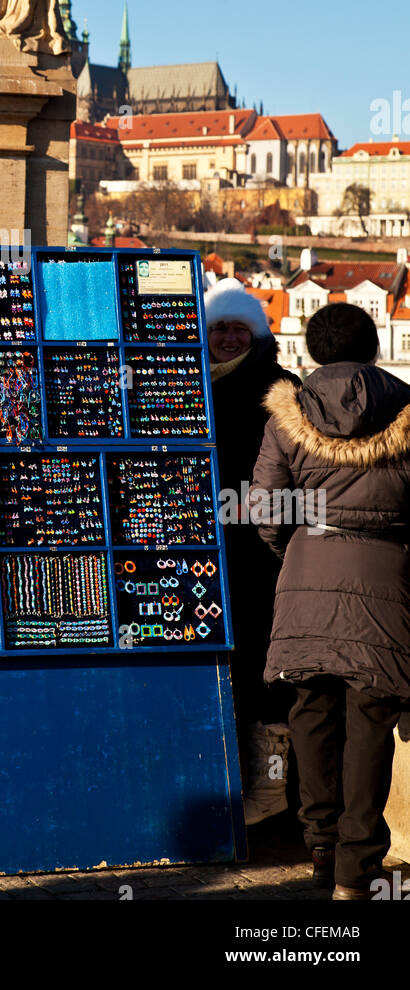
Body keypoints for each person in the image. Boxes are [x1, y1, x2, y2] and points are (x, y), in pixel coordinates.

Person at [251, 302, 410, 899]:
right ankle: (356, 869)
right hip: (386, 580)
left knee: (311, 713)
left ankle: (319, 846)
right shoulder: (406, 410)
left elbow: (265, 509)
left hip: (306, 574)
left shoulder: (286, 416)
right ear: (372, 348)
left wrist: (296, 552)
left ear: (313, 351)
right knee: (372, 723)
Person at [204, 277, 300, 823]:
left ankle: (270, 792)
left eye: (241, 329)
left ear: (257, 333)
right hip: (209, 548)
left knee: (265, 673)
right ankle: (240, 787)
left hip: (261, 552)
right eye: (220, 329)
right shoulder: (188, 381)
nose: (230, 339)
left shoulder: (279, 389)